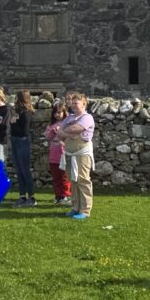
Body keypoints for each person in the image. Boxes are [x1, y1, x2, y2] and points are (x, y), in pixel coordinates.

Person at [57, 91, 94, 220]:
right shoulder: (69, 117)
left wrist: (65, 131)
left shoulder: (87, 117)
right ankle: (75, 207)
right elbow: (59, 132)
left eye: (76, 103)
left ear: (84, 104)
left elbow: (75, 129)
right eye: (72, 103)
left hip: (81, 153)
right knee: (73, 180)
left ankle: (85, 210)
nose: (73, 105)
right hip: (70, 153)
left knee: (83, 180)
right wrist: (67, 133)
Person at [10, 89, 37, 207]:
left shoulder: (25, 112)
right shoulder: (18, 111)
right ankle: (22, 196)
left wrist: (13, 123)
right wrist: (13, 122)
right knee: (19, 170)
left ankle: (32, 197)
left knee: (25, 170)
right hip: (16, 141)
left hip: (22, 141)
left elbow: (24, 131)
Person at [44, 100, 72, 205]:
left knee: (64, 176)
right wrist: (52, 132)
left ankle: (65, 195)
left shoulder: (68, 124)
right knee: (56, 177)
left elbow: (69, 137)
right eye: (55, 112)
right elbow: (47, 136)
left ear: (64, 112)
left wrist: (61, 132)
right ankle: (58, 195)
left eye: (59, 112)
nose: (57, 115)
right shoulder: (51, 125)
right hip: (54, 155)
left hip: (63, 154)